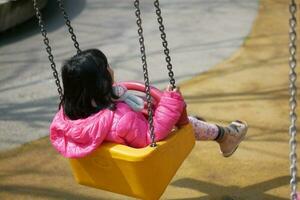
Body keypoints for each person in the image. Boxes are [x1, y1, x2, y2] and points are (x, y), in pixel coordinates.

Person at [50, 49, 248, 158]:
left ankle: (211, 130)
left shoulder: (68, 113)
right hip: (145, 155)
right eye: (106, 67)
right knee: (185, 126)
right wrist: (171, 102)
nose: (110, 68)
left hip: (121, 147)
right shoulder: (120, 117)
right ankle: (225, 136)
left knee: (157, 109)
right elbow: (151, 134)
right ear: (101, 80)